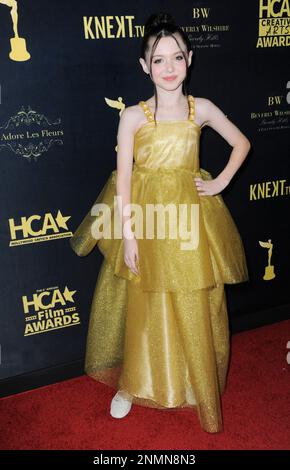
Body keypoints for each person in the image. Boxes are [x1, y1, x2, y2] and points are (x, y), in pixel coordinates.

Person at [69, 11, 250, 434]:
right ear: (144, 66)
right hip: (148, 221)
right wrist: (129, 234)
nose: (168, 68)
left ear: (190, 59)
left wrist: (220, 181)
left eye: (177, 58)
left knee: (193, 301)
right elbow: (124, 181)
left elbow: (241, 142)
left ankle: (193, 378)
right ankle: (132, 384)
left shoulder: (200, 108)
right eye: (158, 60)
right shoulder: (132, 116)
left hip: (189, 222)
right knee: (143, 304)